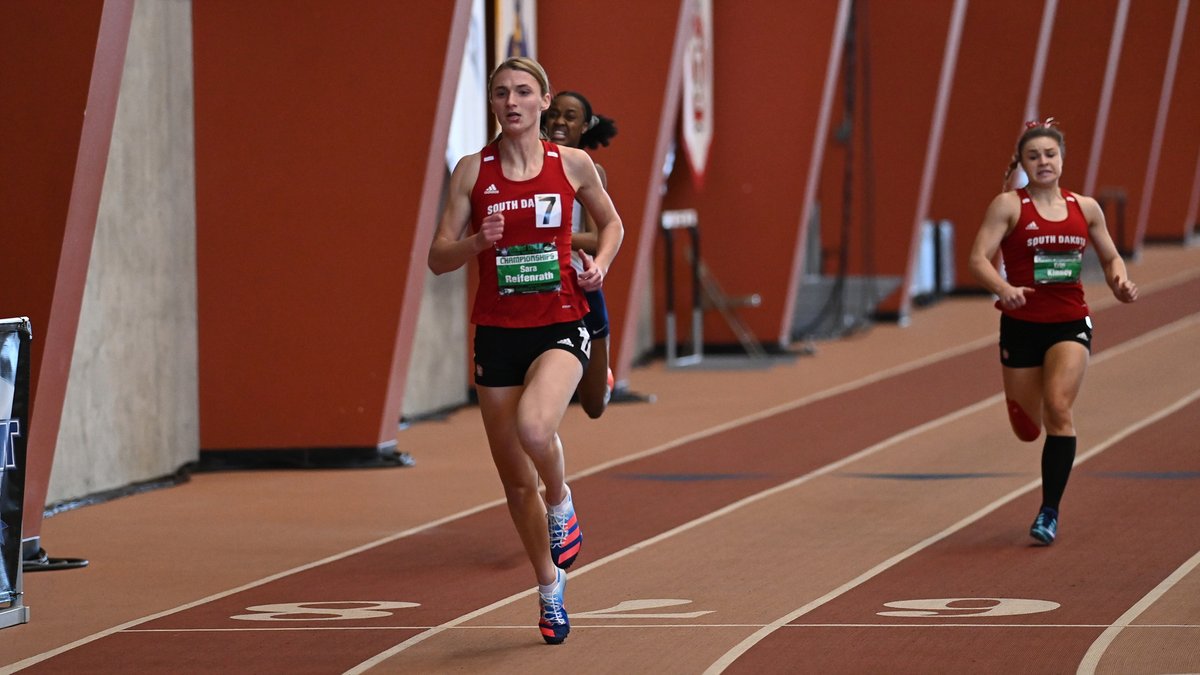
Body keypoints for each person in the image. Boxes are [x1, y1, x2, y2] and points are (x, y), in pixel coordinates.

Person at [428, 56, 623, 644]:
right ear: (491, 105)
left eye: (521, 92)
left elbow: (612, 224)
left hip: (562, 320)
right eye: (500, 93)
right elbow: (438, 258)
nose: (510, 102)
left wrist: (600, 269)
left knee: (537, 432)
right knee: (515, 483)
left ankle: (562, 502)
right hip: (498, 333)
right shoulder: (470, 172)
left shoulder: (573, 164)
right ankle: (548, 588)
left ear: (542, 102)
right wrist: (472, 242)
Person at [968, 118, 1137, 546]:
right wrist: (1004, 289)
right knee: (1028, 429)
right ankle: (1021, 400)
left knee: (1058, 409)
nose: (1043, 161)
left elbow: (1112, 257)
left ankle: (1048, 512)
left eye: (1050, 154)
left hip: (1069, 321)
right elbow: (977, 260)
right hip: (1021, 326)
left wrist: (1119, 281)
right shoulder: (1008, 205)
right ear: (1023, 162)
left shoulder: (1087, 207)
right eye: (1034, 156)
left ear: (1061, 159)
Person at [543, 90, 619, 419]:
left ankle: (602, 373)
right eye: (555, 113)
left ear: (585, 126)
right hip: (537, 280)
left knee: (593, 406)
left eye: (570, 117)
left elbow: (598, 237)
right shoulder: (528, 166)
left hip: (580, 284)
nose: (560, 121)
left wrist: (557, 239)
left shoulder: (591, 172)